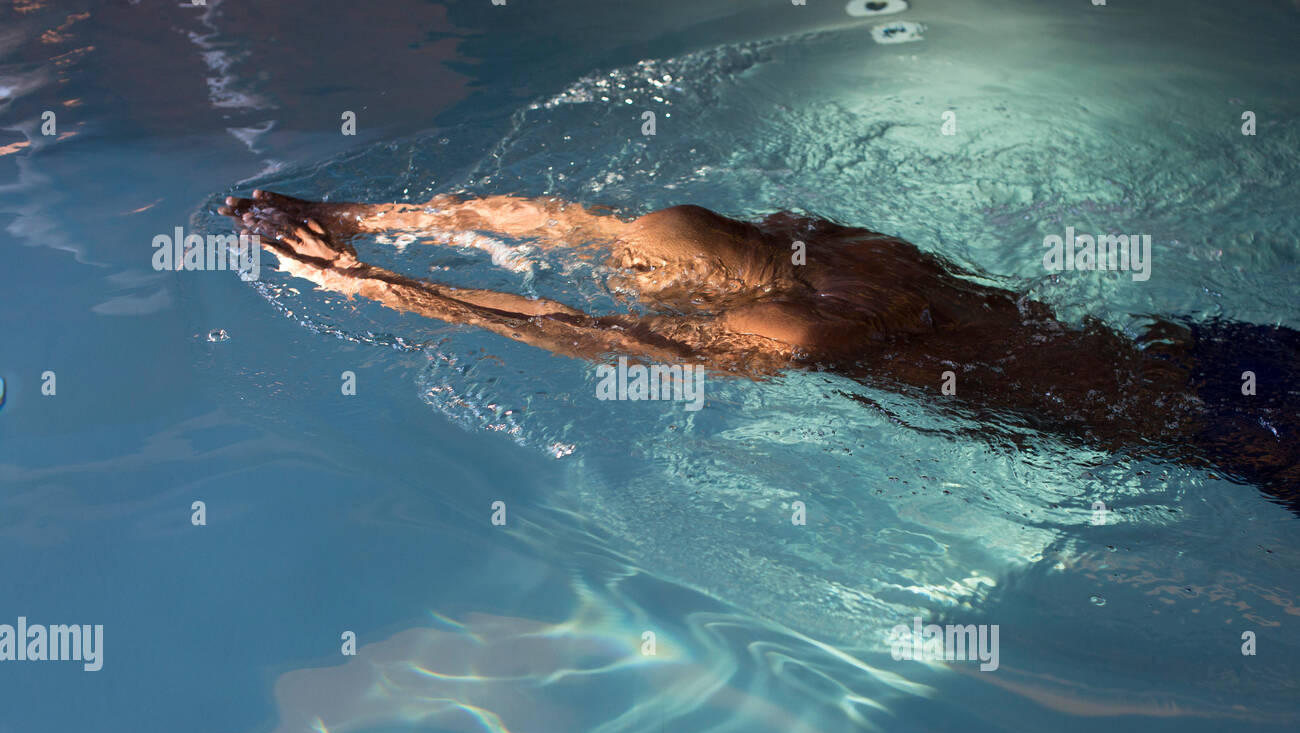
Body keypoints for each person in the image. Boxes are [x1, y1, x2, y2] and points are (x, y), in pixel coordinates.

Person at [220, 189, 1300, 513]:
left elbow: (572, 329)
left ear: (702, 283)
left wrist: (371, 287)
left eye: (639, 275)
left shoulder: (798, 332)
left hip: (1211, 428)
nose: (614, 269)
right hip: (1205, 350)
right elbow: (567, 228)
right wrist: (368, 217)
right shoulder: (836, 245)